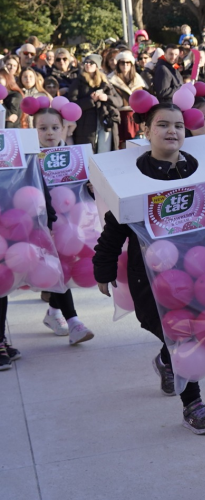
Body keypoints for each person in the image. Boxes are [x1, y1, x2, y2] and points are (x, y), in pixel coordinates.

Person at [92, 103, 205, 434]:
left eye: (178, 125)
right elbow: (113, 230)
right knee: (174, 331)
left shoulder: (200, 170)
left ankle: (183, 388)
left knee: (190, 332)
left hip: (202, 270)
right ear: (146, 131)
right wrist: (103, 269)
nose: (171, 131)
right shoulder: (135, 177)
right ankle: (181, 380)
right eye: (162, 124)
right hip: (154, 279)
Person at [35, 107, 95, 344]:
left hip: (71, 226)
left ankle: (53, 313)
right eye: (43, 128)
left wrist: (91, 187)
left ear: (64, 128)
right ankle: (74, 322)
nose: (49, 133)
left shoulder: (76, 156)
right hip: (43, 224)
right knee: (55, 268)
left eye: (54, 127)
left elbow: (88, 187)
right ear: (34, 130)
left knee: (64, 269)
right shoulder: (30, 159)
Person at [69, 54, 122, 153]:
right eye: (86, 62)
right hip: (85, 125)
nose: (88, 64)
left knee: (104, 153)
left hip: (105, 122)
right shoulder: (78, 82)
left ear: (97, 66)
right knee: (89, 155)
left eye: (91, 63)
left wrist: (106, 98)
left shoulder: (105, 82)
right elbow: (72, 104)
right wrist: (91, 100)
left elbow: (119, 101)